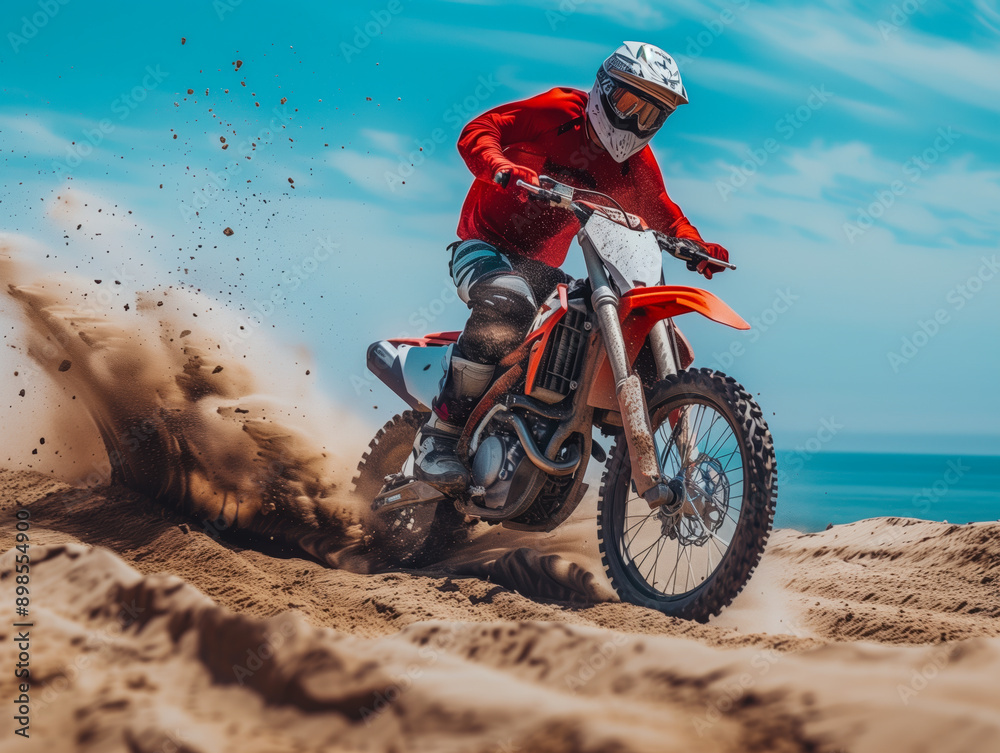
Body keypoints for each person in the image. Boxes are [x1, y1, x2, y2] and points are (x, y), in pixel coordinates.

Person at [414, 41, 730, 494]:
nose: (636, 123)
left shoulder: (634, 164)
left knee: (621, 335)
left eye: (652, 115)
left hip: (544, 271)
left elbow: (664, 211)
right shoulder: (559, 111)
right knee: (508, 300)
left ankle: (620, 465)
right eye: (628, 103)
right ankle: (438, 438)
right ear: (604, 89)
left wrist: (695, 245)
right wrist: (500, 166)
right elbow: (480, 130)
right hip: (484, 246)